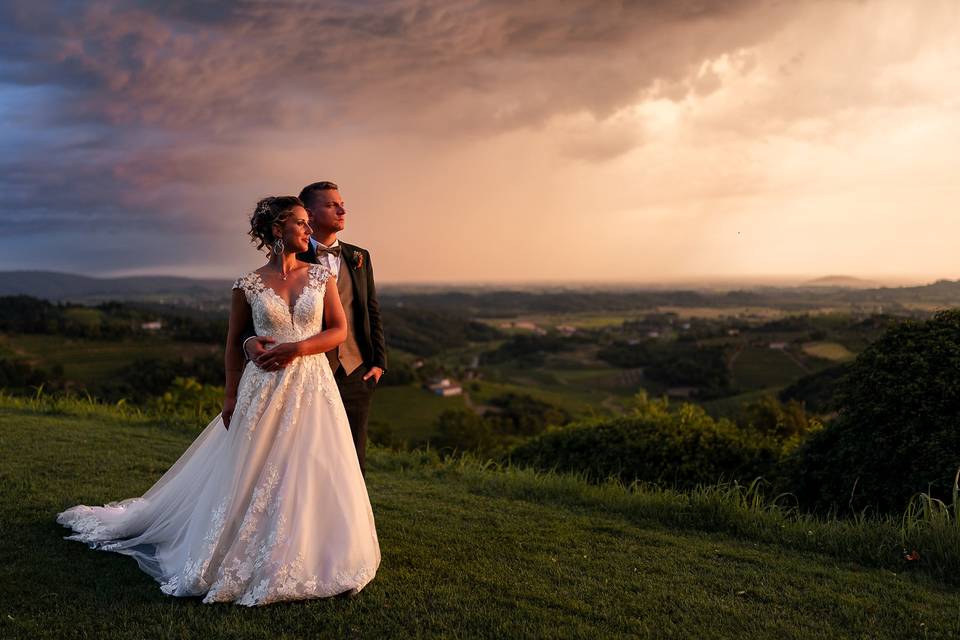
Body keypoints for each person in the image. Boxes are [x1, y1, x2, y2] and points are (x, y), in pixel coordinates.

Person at [57, 196, 380, 606]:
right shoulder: (248, 284)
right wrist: (230, 394)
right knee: (257, 467)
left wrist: (297, 349)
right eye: (300, 223)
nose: (307, 230)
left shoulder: (321, 278)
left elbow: (337, 331)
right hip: (261, 388)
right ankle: (242, 547)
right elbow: (233, 343)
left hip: (311, 385)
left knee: (310, 463)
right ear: (277, 229)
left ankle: (317, 553)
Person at [244, 181, 386, 476]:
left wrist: (378, 363)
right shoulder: (292, 258)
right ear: (308, 213)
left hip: (355, 370)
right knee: (303, 453)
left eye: (341, 203)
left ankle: (348, 519)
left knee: (351, 454)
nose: (342, 210)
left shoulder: (360, 256)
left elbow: (370, 309)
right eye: (332, 205)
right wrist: (249, 343)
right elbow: (262, 316)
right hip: (301, 372)